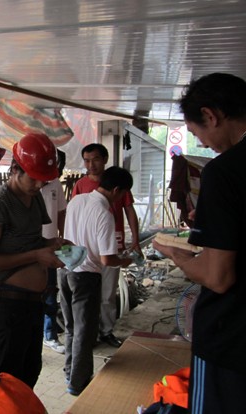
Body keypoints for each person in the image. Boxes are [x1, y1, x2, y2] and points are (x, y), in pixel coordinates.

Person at [152, 73, 246, 414]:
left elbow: (218, 277)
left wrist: (176, 255)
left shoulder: (224, 171)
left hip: (231, 339)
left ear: (211, 115)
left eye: (196, 133)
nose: (202, 145)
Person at [0, 132, 66, 388]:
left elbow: (33, 240)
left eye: (43, 179)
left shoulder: (34, 196)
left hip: (34, 302)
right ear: (15, 169)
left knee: (31, 371)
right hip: (11, 305)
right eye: (34, 178)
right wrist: (37, 255)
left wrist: (55, 244)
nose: (39, 185)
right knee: (8, 379)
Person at [62, 166, 134, 396]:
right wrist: (125, 260)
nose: (121, 199)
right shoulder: (104, 213)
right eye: (123, 194)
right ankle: (78, 383)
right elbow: (107, 259)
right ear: (116, 190)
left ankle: (69, 371)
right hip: (85, 275)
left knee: (71, 327)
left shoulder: (77, 200)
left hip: (64, 267)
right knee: (85, 332)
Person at [71, 143, 142, 348]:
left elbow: (129, 210)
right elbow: (73, 220)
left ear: (104, 159)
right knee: (87, 296)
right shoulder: (81, 188)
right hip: (88, 251)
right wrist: (125, 261)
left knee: (107, 293)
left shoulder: (116, 181)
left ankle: (105, 331)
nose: (91, 164)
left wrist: (135, 239)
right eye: (86, 160)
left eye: (95, 159)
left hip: (111, 245)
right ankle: (88, 335)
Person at [40, 150, 67, 353]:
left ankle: (49, 335)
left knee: (50, 290)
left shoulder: (55, 182)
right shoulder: (27, 182)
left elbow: (61, 212)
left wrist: (63, 238)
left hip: (49, 247)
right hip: (29, 248)